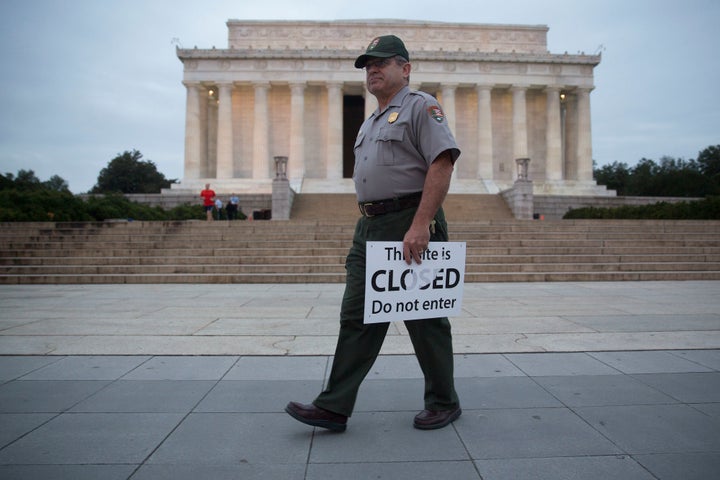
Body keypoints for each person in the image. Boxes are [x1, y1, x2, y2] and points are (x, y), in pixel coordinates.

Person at [286, 35, 461, 433]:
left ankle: (443, 401)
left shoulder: (421, 107)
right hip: (370, 225)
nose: (373, 70)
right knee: (356, 315)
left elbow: (442, 163)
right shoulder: (371, 122)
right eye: (368, 65)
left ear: (406, 68)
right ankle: (334, 406)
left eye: (382, 62)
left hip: (409, 221)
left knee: (426, 317)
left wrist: (420, 225)